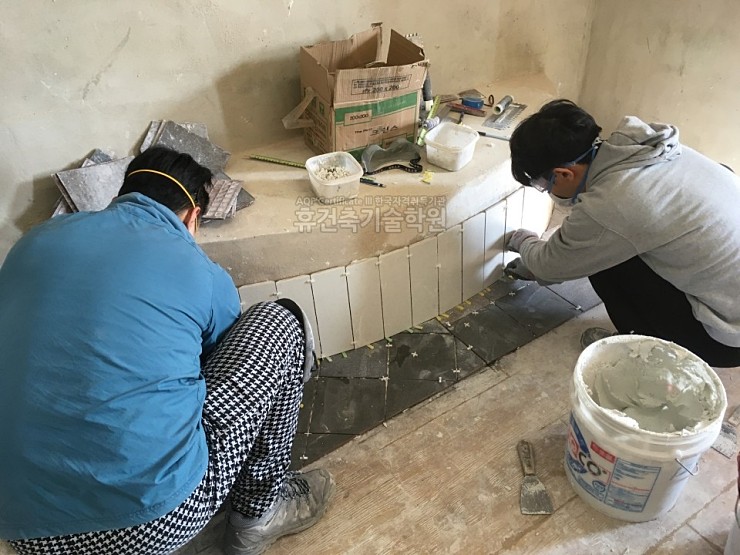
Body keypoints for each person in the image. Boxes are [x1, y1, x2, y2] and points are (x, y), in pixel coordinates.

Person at [0, 146, 334, 555]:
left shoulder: (32, 242)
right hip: (148, 522)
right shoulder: (200, 270)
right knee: (279, 321)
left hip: (20, 527)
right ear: (193, 216)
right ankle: (259, 515)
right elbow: (220, 357)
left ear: (122, 195)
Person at [504, 99, 740, 368]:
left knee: (607, 267)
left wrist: (524, 242)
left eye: (542, 184)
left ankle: (639, 351)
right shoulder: (648, 150)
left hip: (726, 341)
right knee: (608, 247)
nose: (547, 191)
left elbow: (550, 267)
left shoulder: (614, 202)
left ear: (564, 173)